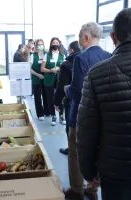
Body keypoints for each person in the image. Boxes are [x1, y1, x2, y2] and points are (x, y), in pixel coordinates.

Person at [77, 8, 131, 200]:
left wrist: (88, 171)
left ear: (113, 37)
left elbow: (86, 129)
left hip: (115, 171)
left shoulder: (98, 73)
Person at [64, 22, 111, 200]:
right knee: (97, 151)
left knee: (75, 152)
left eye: (79, 37)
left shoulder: (80, 59)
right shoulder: (109, 56)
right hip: (101, 115)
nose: (79, 41)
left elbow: (76, 91)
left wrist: (66, 89)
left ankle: (76, 189)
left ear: (86, 37)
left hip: (80, 115)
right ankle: (93, 191)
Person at [54, 41, 81, 155]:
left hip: (72, 99)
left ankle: (71, 150)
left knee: (71, 127)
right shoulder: (90, 60)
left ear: (71, 50)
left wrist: (56, 102)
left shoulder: (66, 64)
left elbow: (61, 86)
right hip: (88, 99)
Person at [41, 37, 65, 126]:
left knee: (61, 97)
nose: (55, 44)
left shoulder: (62, 55)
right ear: (51, 44)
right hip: (49, 79)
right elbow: (42, 69)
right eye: (53, 43)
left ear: (59, 44)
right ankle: (53, 116)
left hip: (59, 79)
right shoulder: (47, 55)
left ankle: (62, 115)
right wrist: (50, 70)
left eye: (56, 43)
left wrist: (58, 68)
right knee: (50, 98)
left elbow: (63, 67)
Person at [30, 39, 50, 120]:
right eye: (39, 44)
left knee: (46, 95)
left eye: (42, 44)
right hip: (36, 78)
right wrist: (37, 74)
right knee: (37, 96)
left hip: (46, 78)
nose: (40, 46)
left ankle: (47, 111)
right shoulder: (33, 55)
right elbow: (29, 68)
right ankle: (40, 114)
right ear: (36, 45)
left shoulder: (47, 54)